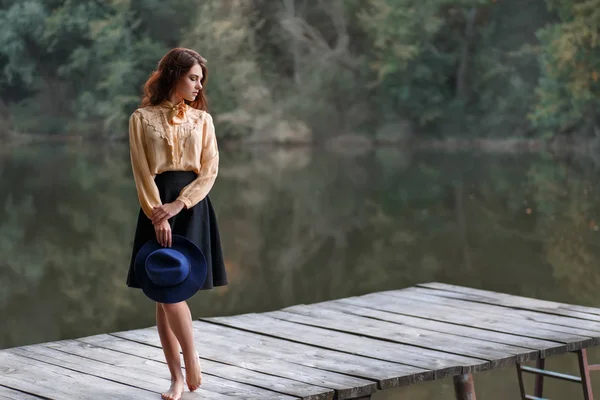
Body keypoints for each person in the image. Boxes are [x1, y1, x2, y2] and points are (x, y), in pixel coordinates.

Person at [125, 47, 228, 400]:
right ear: (174, 76)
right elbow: (141, 171)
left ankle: (190, 361)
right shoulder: (141, 118)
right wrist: (158, 211)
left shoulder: (203, 121)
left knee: (170, 292)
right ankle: (177, 377)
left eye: (201, 80)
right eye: (193, 78)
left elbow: (210, 169)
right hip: (154, 204)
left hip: (191, 204)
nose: (198, 86)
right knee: (162, 290)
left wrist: (178, 204)